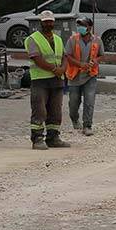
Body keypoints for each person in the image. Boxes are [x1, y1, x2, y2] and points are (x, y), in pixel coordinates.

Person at [25, 11, 70, 150]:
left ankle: (53, 137)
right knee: (39, 110)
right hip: (40, 80)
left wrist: (63, 69)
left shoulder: (58, 39)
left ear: (53, 22)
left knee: (55, 110)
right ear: (41, 23)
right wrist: (54, 69)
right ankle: (37, 138)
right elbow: (37, 58)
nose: (48, 24)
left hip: (57, 79)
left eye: (50, 21)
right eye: (46, 22)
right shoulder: (32, 39)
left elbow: (64, 56)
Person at [64, 16, 104, 136]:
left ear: (89, 27)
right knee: (74, 102)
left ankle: (87, 125)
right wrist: (80, 64)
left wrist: (95, 61)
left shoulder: (97, 40)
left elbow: (101, 55)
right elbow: (67, 56)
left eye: (83, 25)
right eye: (79, 25)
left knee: (89, 101)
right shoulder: (73, 40)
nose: (80, 28)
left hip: (90, 75)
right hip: (75, 75)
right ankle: (75, 119)